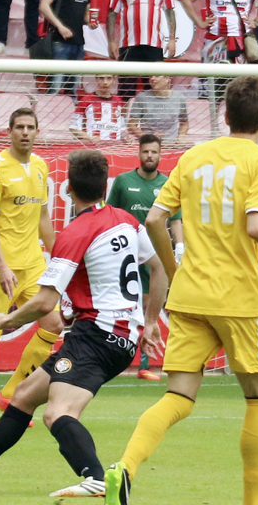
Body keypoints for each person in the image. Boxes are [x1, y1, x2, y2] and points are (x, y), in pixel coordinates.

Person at [104, 76, 258, 505]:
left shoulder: (194, 156)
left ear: (224, 114)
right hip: (237, 297)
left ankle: (124, 468)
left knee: (178, 395)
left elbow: (155, 220)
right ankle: (253, 501)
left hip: (190, 294)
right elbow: (256, 224)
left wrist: (174, 268)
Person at [0, 149, 168, 498]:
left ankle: (97, 477)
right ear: (104, 184)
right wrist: (151, 321)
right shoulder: (126, 221)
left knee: (58, 413)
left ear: (67, 188)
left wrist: (5, 319)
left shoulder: (76, 232)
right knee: (22, 397)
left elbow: (44, 302)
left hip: (97, 337)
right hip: (116, 336)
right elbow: (158, 270)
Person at [0, 107, 62, 428]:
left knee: (53, 323)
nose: (25, 132)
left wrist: (61, 259)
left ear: (38, 132)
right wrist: (1, 265)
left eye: (30, 127)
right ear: (9, 131)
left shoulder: (40, 168)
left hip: (33, 263)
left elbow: (43, 219)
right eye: (19, 127)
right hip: (1, 265)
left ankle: (11, 393)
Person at [105, 133, 183, 381]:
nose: (150, 156)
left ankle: (144, 364)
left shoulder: (167, 183)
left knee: (149, 303)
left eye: (154, 152)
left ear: (160, 155)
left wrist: (179, 244)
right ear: (139, 153)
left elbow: (175, 218)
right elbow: (110, 213)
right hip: (125, 252)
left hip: (154, 256)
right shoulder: (123, 181)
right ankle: (111, 359)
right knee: (120, 305)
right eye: (146, 151)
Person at [107, 0, 176, 100]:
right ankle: (123, 121)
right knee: (125, 88)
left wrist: (172, 39)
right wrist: (111, 41)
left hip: (154, 45)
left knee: (154, 88)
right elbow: (112, 13)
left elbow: (170, 11)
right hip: (129, 45)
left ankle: (152, 123)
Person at [41, 0, 95, 96]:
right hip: (60, 42)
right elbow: (44, 6)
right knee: (55, 87)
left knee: (74, 89)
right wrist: (60, 27)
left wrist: (91, 22)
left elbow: (86, 15)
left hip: (78, 43)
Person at [127, 75, 188, 143]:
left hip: (172, 144)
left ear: (167, 78)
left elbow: (184, 123)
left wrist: (181, 136)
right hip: (148, 144)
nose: (152, 79)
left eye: (157, 76)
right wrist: (148, 138)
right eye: (150, 76)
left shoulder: (179, 97)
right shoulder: (142, 97)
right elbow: (131, 125)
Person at [70, 74, 126, 141]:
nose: (105, 82)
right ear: (96, 79)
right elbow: (73, 127)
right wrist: (89, 138)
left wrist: (126, 136)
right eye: (101, 78)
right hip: (92, 147)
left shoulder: (118, 101)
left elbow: (122, 127)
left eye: (109, 78)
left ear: (113, 80)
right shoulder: (86, 100)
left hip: (113, 146)